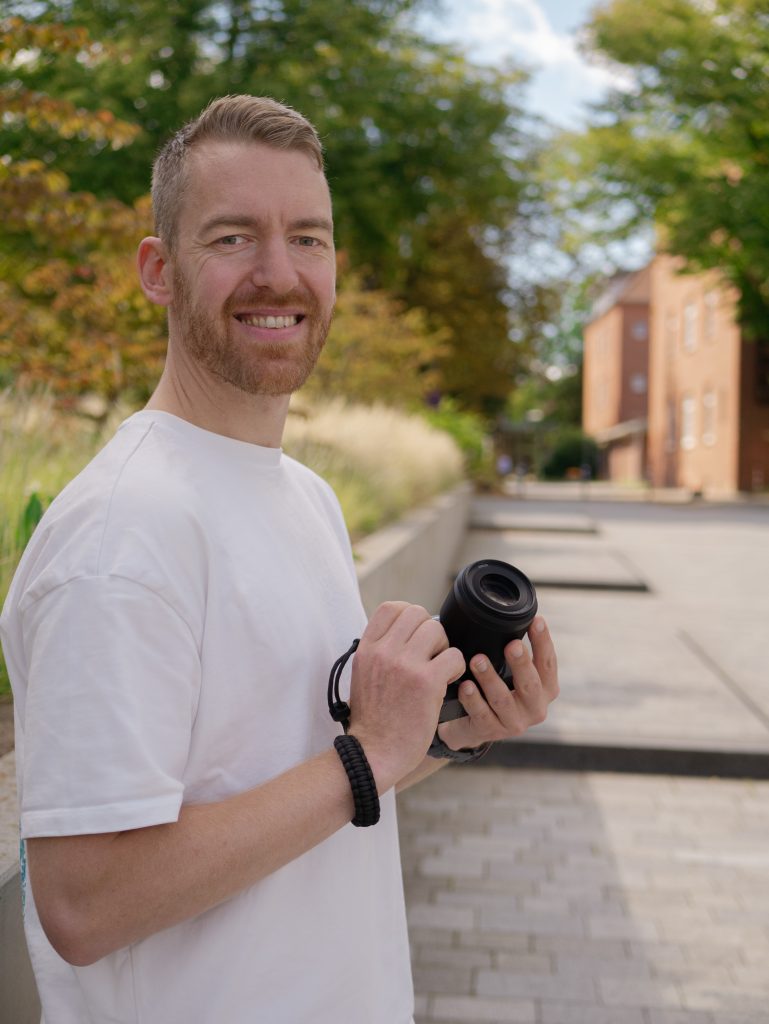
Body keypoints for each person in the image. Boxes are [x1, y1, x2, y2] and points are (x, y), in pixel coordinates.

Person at [0, 95, 559, 1024]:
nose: (279, 273)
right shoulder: (121, 533)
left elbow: (319, 781)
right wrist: (367, 753)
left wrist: (450, 732)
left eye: (309, 238)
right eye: (231, 238)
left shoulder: (302, 495)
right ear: (157, 270)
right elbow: (83, 903)